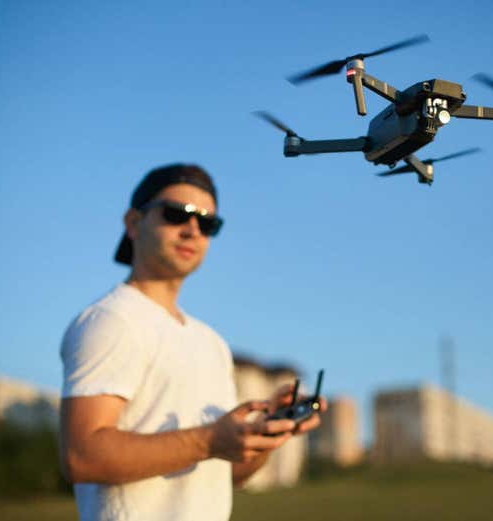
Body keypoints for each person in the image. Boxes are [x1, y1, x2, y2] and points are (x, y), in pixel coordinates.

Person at [59, 164, 325, 521]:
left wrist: (268, 429)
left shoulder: (211, 342)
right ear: (133, 223)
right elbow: (82, 457)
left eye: (207, 223)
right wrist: (209, 439)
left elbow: (230, 474)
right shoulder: (111, 320)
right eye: (176, 214)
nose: (192, 230)